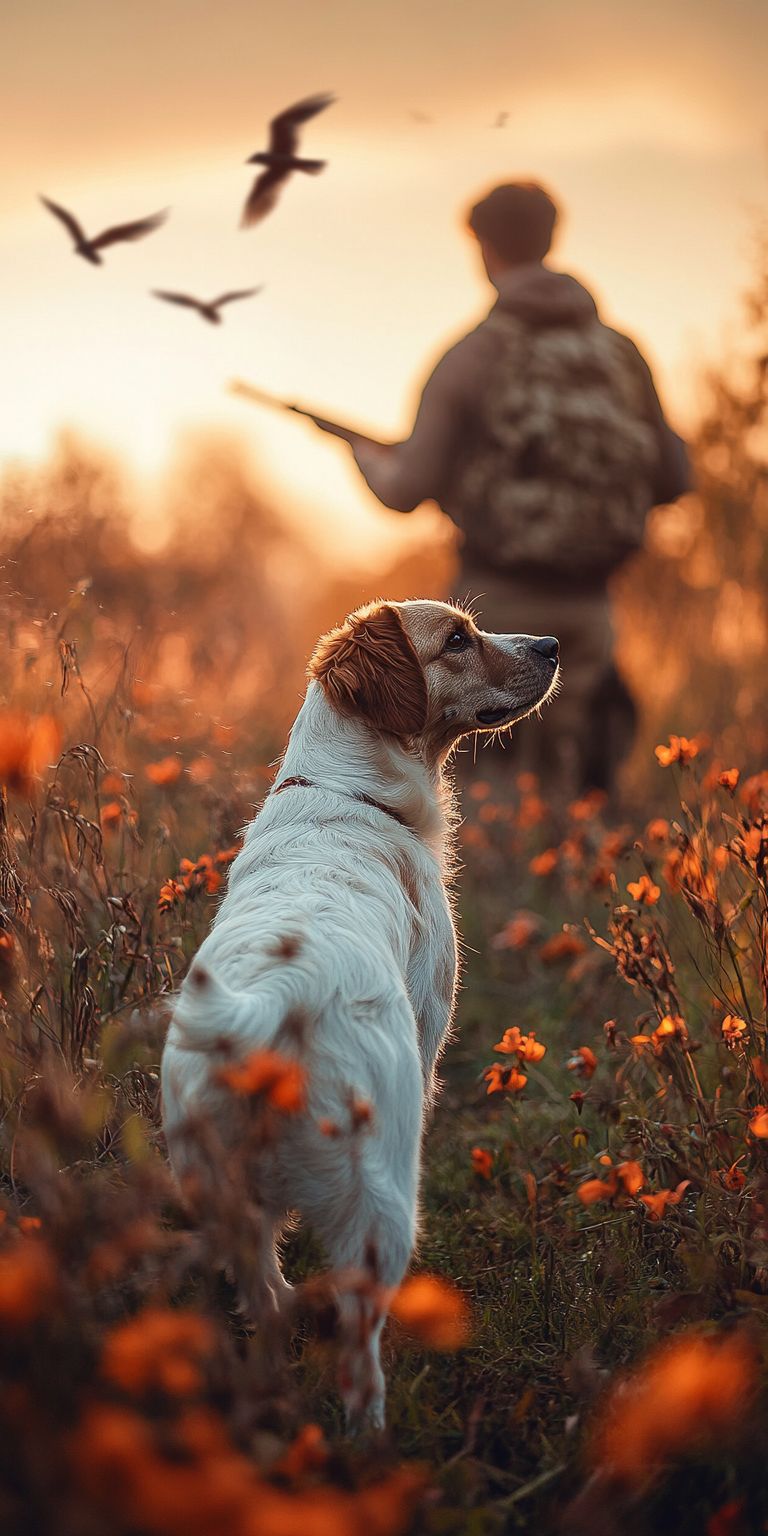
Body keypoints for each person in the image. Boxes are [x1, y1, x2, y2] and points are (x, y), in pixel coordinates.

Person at [318, 181, 690, 794]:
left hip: (493, 606)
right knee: (580, 790)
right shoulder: (624, 353)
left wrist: (364, 457)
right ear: (551, 237)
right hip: (595, 605)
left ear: (483, 249)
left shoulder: (471, 356)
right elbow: (676, 478)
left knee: (490, 806)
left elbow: (406, 490)